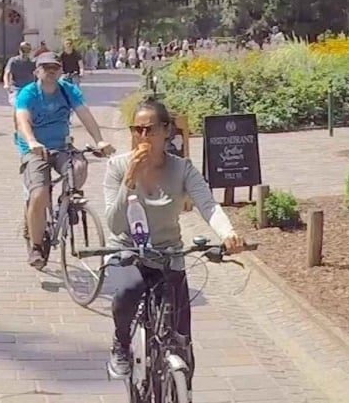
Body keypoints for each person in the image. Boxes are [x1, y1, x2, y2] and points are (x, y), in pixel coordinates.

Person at [101, 98, 243, 379]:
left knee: (181, 337)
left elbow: (208, 205)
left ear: (167, 131)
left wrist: (228, 233)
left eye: (151, 129)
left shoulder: (182, 169)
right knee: (129, 290)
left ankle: (180, 387)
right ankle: (121, 342)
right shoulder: (117, 166)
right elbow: (115, 225)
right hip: (128, 251)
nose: (143, 137)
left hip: (168, 254)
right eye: (137, 130)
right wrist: (130, 180)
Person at [15, 51, 113, 268]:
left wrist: (99, 140)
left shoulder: (68, 90)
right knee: (39, 193)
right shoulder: (28, 93)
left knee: (79, 165)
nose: (51, 71)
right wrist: (31, 141)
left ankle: (65, 203)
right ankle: (37, 246)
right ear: (37, 71)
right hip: (35, 149)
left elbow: (84, 114)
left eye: (55, 67)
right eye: (46, 67)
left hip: (61, 146)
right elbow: (22, 120)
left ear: (60, 71)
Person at [3, 41, 36, 108]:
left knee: (30, 105)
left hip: (28, 88)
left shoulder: (32, 62)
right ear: (19, 50)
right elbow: (7, 73)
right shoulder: (13, 61)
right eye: (23, 50)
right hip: (16, 88)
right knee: (17, 104)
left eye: (27, 50)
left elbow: (37, 74)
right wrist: (6, 84)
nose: (24, 53)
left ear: (29, 51)